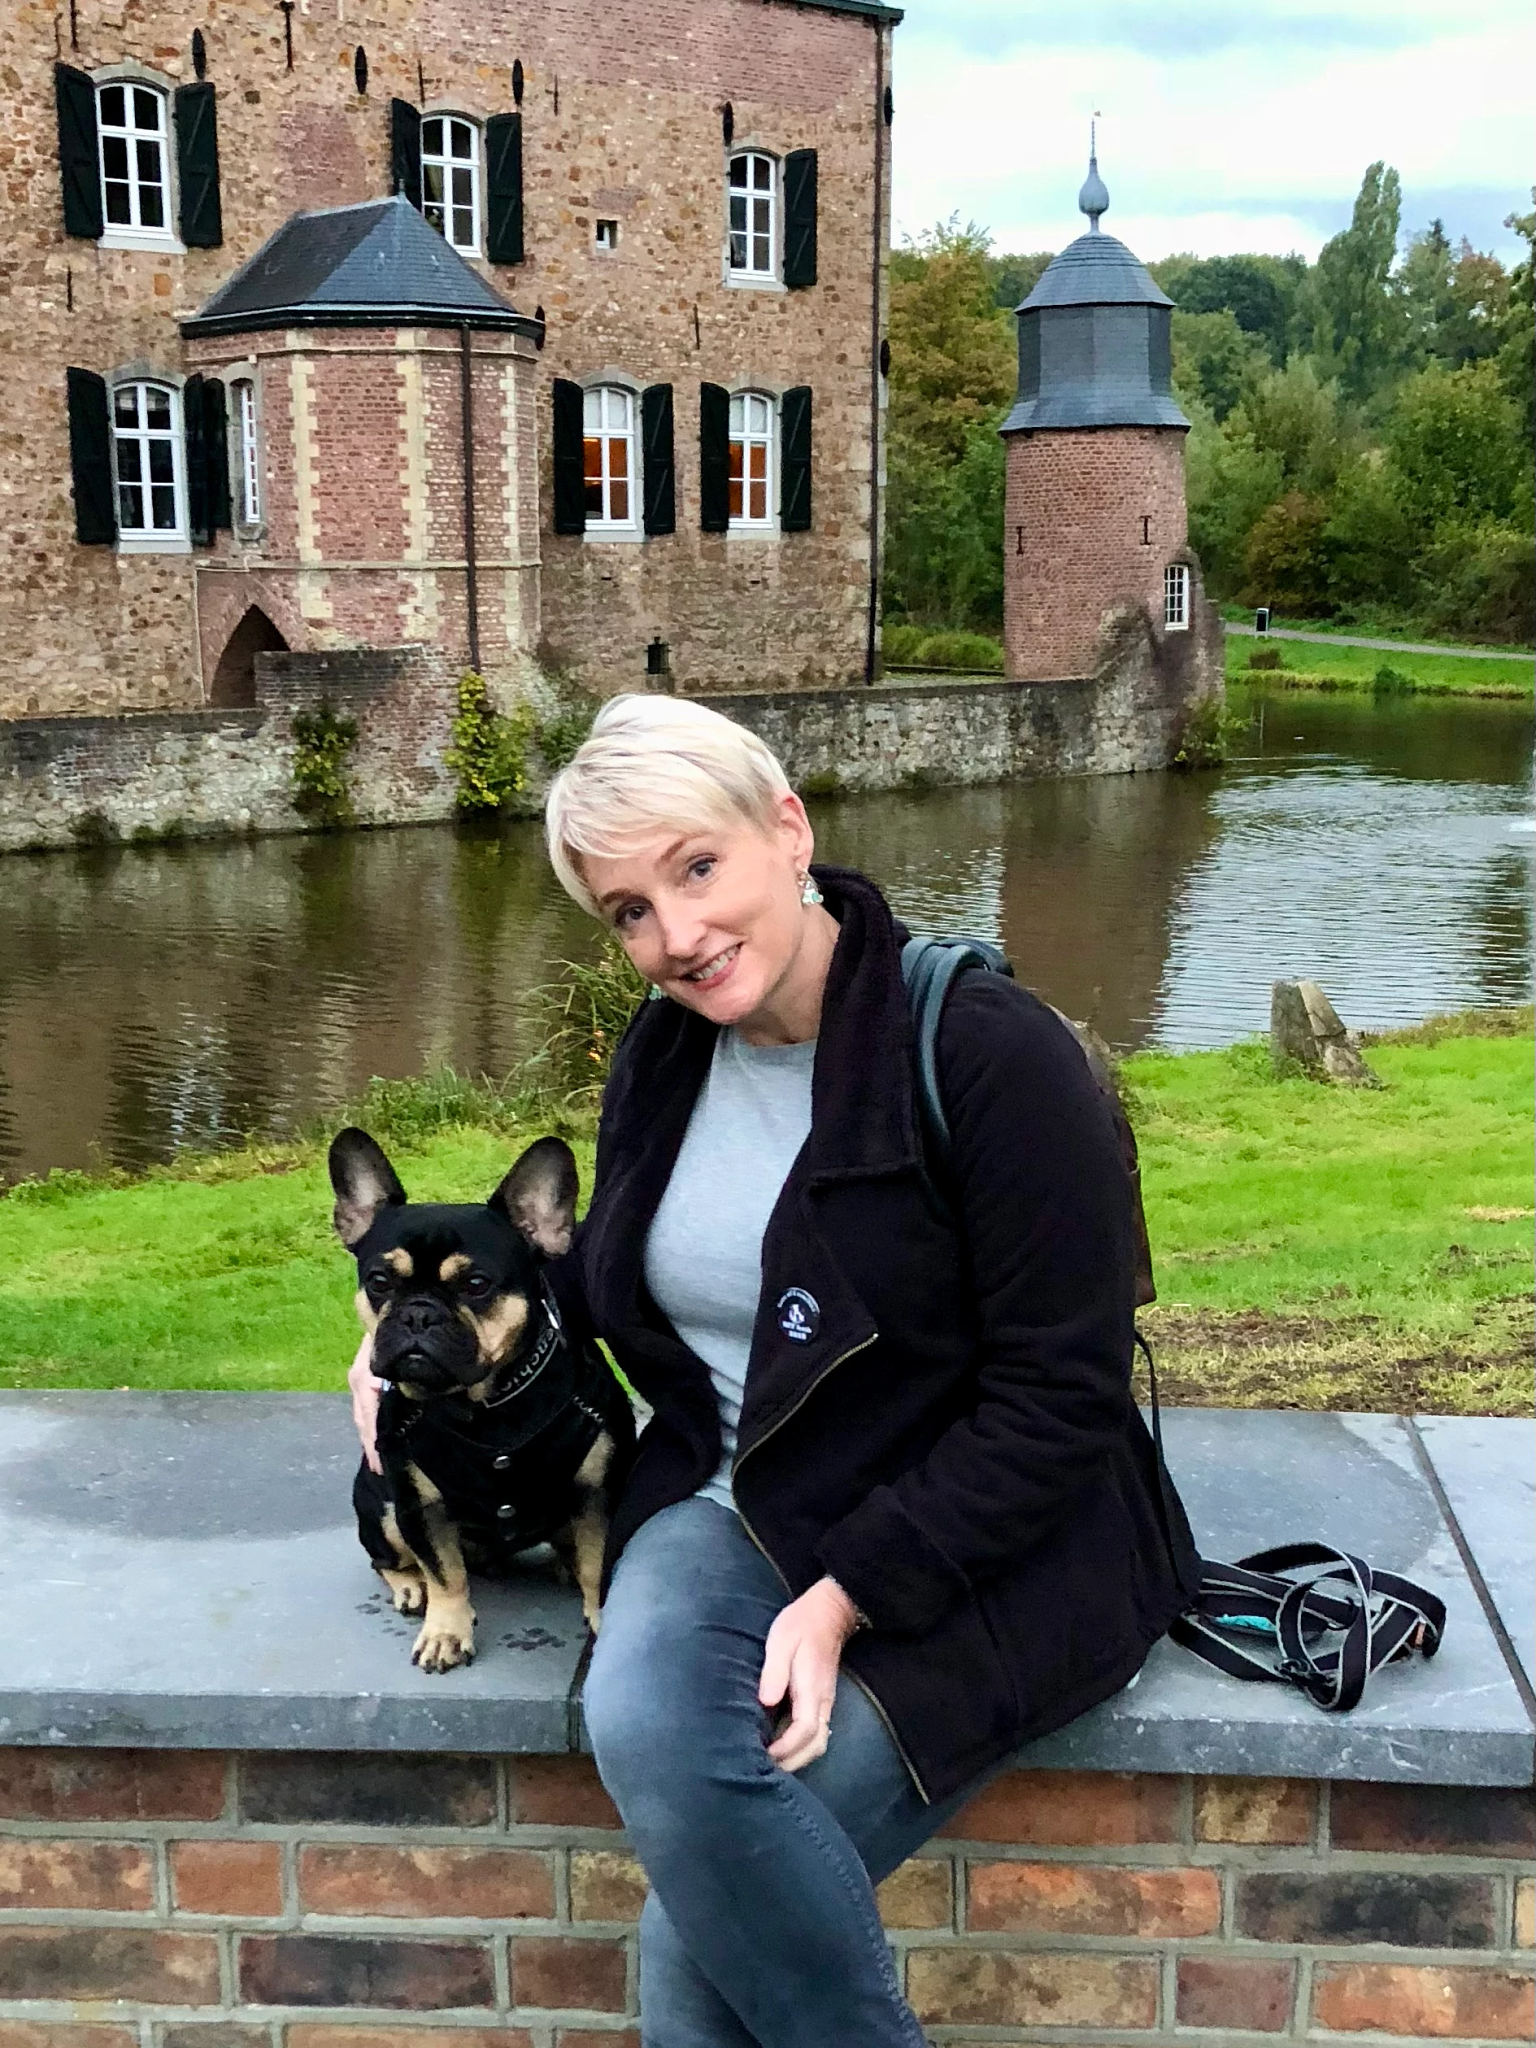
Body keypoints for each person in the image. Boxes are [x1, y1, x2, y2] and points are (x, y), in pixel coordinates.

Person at [350, 694, 1200, 2048]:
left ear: (787, 829)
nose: (674, 937)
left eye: (696, 869)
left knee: (702, 1931)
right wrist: (401, 1340)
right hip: (736, 1499)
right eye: (628, 910)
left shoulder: (990, 1057)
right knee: (638, 1717)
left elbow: (1063, 1398)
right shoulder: (667, 1051)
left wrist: (850, 1596)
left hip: (986, 1541)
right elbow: (616, 1272)